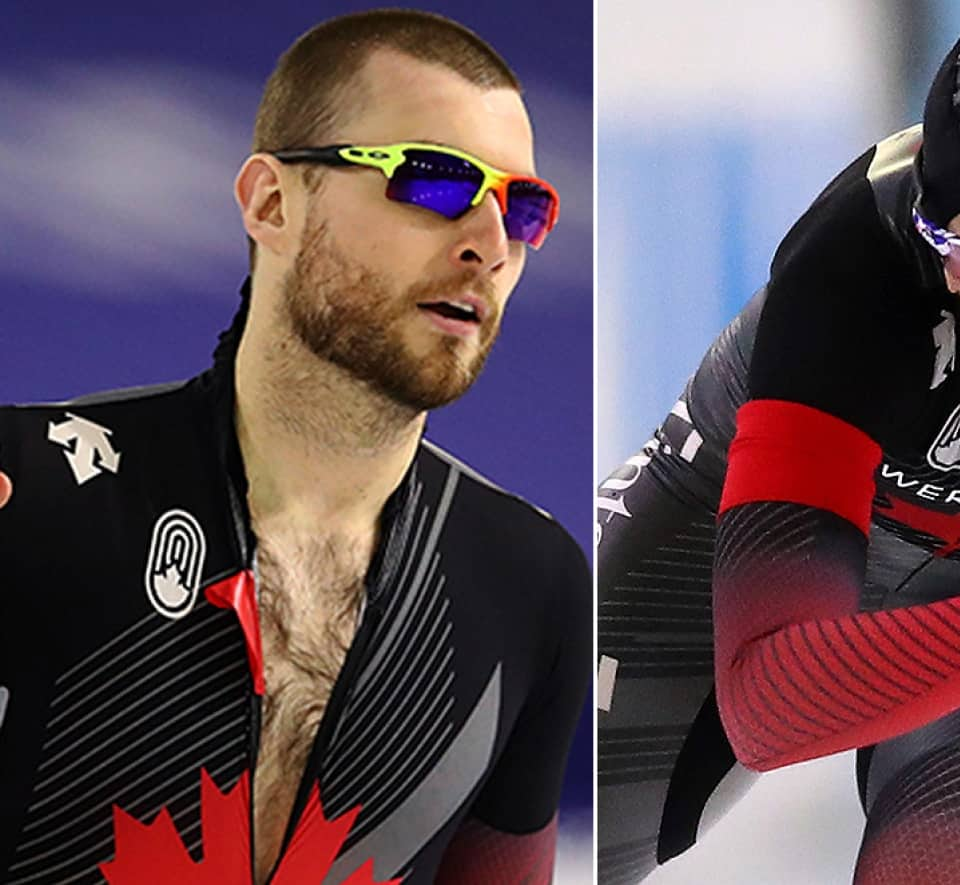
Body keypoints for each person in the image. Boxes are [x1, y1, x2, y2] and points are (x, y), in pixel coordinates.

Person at [0, 10, 589, 885]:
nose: (489, 245)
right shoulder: (32, 494)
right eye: (433, 181)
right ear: (272, 204)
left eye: (524, 207)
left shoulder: (530, 581)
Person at [597, 14, 960, 885]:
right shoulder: (854, 269)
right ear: (939, 253)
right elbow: (765, 704)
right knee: (447, 797)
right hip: (772, 518)